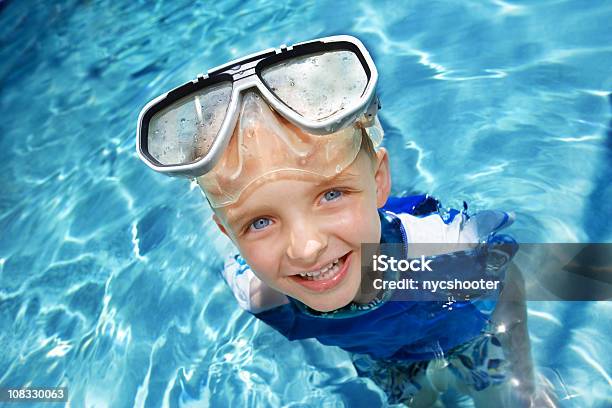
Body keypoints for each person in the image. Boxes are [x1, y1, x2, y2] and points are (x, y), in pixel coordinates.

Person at [136, 35, 550, 407]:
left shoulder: (447, 252)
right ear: (228, 233)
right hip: (383, 358)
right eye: (259, 222)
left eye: (331, 194)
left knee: (501, 398)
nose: (306, 248)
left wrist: (526, 384)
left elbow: (507, 285)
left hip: (465, 336)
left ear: (378, 180)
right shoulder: (260, 295)